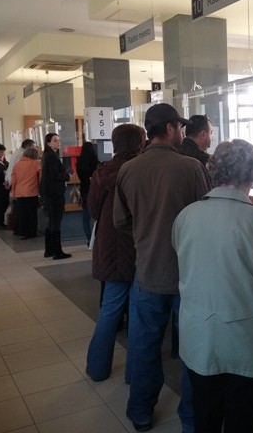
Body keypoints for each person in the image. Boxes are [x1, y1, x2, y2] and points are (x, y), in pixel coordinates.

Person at [172, 139, 253, 432]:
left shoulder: (186, 216)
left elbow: (183, 264)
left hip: (197, 331)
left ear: (214, 170)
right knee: (241, 417)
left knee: (205, 414)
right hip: (245, 336)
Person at [114, 103, 211, 433]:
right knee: (192, 350)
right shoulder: (191, 168)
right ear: (169, 128)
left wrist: (147, 233)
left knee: (144, 346)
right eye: (180, 127)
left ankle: (141, 411)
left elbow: (119, 221)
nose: (183, 132)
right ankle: (191, 419)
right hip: (187, 275)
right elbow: (205, 219)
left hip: (147, 273)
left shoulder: (128, 169)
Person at [86, 124, 145, 382]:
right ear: (141, 143)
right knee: (138, 311)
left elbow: (93, 209)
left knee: (110, 308)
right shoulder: (143, 170)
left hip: (110, 244)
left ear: (114, 143)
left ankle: (97, 368)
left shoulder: (102, 172)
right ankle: (134, 374)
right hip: (139, 243)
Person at [40, 133, 72, 260]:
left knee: (51, 221)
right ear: (48, 143)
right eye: (55, 141)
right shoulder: (52, 156)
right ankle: (57, 252)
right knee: (56, 222)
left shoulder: (47, 155)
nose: (58, 142)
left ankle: (49, 250)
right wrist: (67, 176)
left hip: (48, 193)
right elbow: (54, 175)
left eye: (59, 140)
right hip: (54, 193)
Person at [10, 147, 41, 239]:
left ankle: (23, 232)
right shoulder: (36, 163)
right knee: (32, 214)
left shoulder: (17, 165)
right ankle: (32, 232)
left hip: (19, 192)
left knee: (22, 214)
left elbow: (13, 180)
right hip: (32, 192)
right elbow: (40, 178)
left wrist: (13, 192)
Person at [76, 141, 100, 245]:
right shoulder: (96, 162)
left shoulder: (79, 162)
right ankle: (97, 238)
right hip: (95, 191)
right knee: (98, 215)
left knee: (86, 216)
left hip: (84, 190)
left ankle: (89, 239)